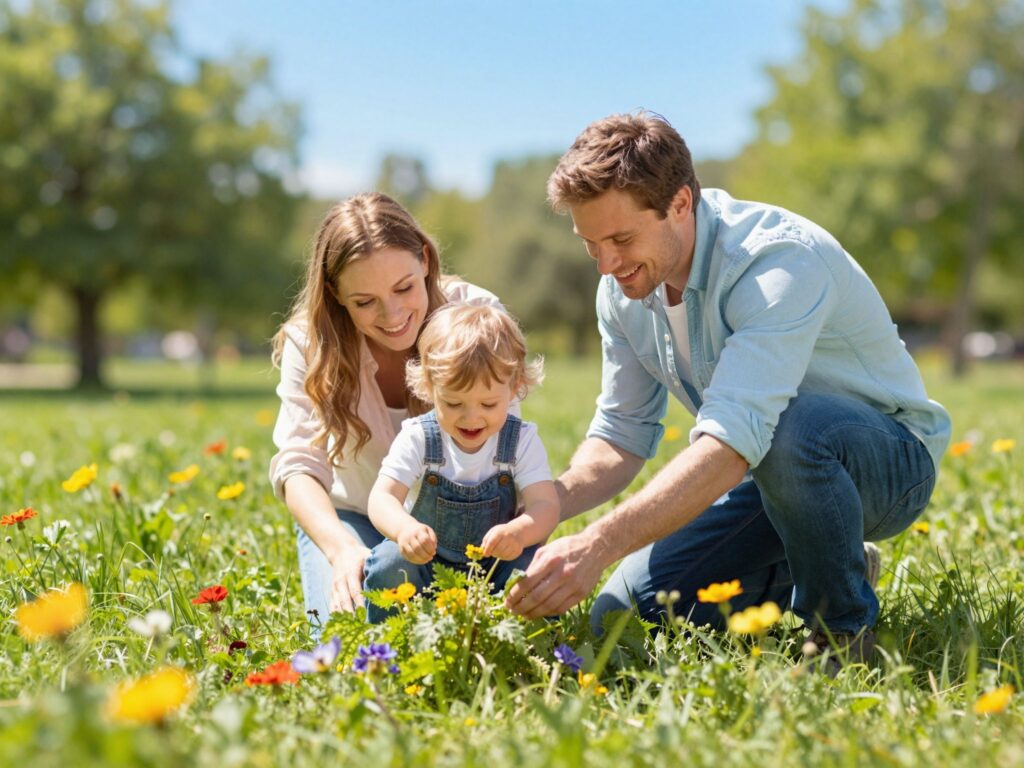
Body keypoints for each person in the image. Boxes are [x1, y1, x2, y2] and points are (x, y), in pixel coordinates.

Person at [505, 112, 951, 665]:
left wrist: (597, 544)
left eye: (620, 238)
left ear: (680, 205)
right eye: (590, 243)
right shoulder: (622, 291)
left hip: (888, 465)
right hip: (773, 473)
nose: (606, 264)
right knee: (624, 611)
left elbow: (733, 443)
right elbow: (620, 435)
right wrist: (540, 506)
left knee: (792, 428)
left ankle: (839, 634)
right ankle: (826, 557)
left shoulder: (777, 263)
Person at [269, 193, 508, 633]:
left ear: (426, 262)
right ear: (335, 294)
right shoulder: (310, 343)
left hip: (464, 522)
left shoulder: (478, 318)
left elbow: (504, 443)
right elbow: (299, 465)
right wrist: (341, 549)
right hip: (353, 520)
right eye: (364, 302)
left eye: (404, 287)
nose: (394, 314)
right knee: (350, 639)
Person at [364, 302, 559, 622]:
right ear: (429, 388)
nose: (471, 417)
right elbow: (382, 497)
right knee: (389, 565)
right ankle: (388, 647)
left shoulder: (520, 441)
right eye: (454, 403)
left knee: (536, 571)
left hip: (496, 567)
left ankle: (533, 648)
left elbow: (546, 506)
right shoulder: (419, 437)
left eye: (488, 403)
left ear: (515, 388)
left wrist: (519, 534)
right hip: (426, 568)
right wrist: (404, 530)